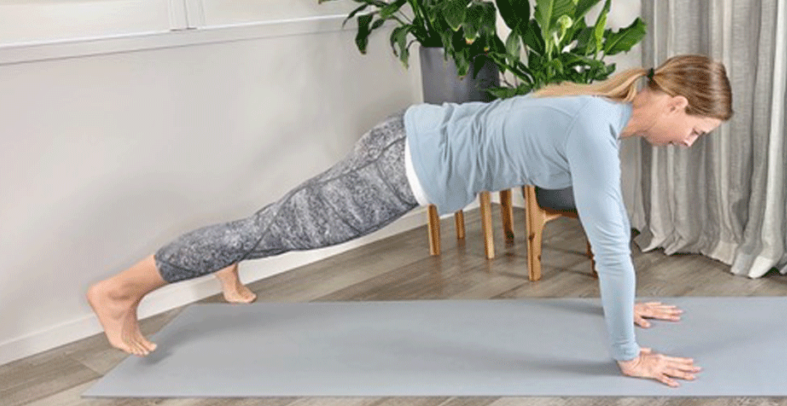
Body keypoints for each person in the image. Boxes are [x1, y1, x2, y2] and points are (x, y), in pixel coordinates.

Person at [87, 54, 732, 388]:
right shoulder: (598, 126)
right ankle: (118, 293)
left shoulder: (599, 107)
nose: (690, 141)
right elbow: (613, 247)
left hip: (409, 137)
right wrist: (627, 356)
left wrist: (625, 303)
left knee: (276, 223)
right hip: (401, 170)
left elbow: (605, 233)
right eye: (697, 129)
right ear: (675, 103)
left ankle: (232, 256)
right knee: (273, 231)